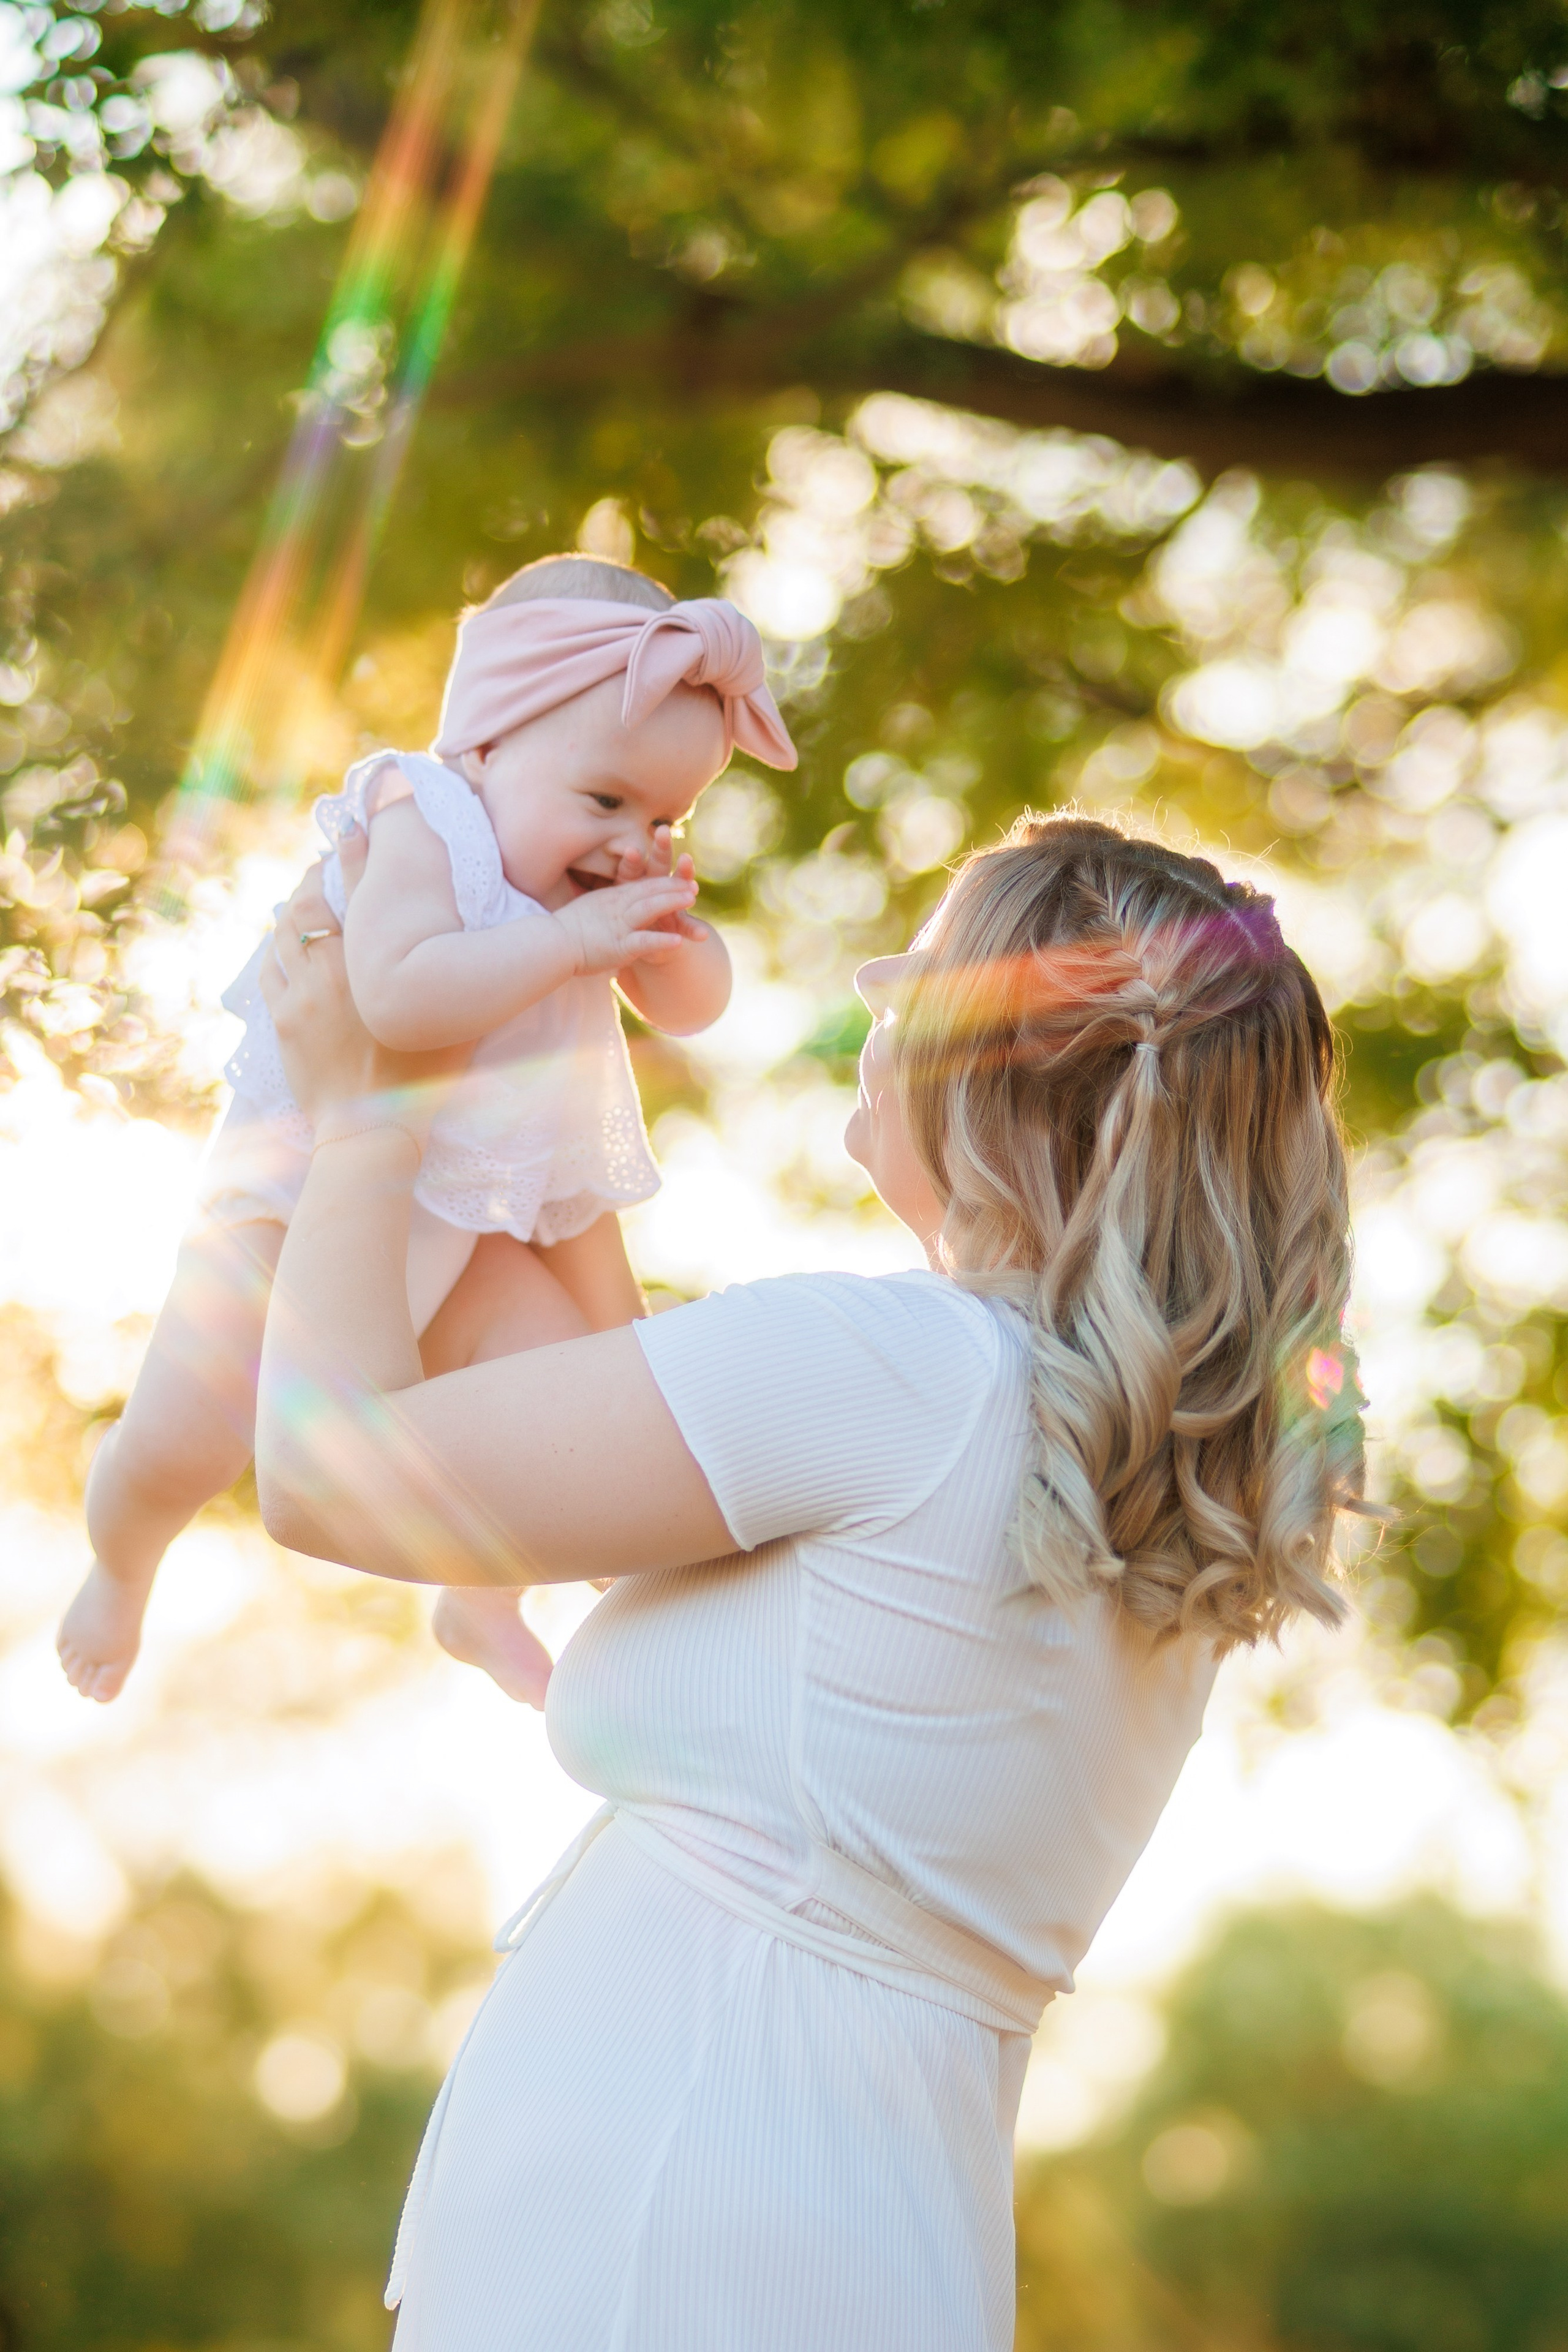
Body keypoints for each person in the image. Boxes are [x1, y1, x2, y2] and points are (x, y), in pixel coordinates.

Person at [250, 811, 1365, 2352]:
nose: (874, 985)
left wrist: (358, 1116)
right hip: (860, 2230)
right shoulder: (1120, 1474)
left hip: (673, 2218)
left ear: (1011, 1064)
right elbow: (569, 1406)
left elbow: (327, 1478)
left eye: (920, 968)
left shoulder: (895, 1370)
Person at [56, 555, 796, 1709]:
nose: (633, 839)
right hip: (295, 1215)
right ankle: (122, 1557)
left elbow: (698, 1008)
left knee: (547, 1398)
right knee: (181, 1442)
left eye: (667, 814)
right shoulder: (424, 817)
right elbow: (397, 997)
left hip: (483, 1217)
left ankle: (482, 1599)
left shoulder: (588, 889)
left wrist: (665, 933)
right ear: (488, 749)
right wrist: (568, 945)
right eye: (606, 801)